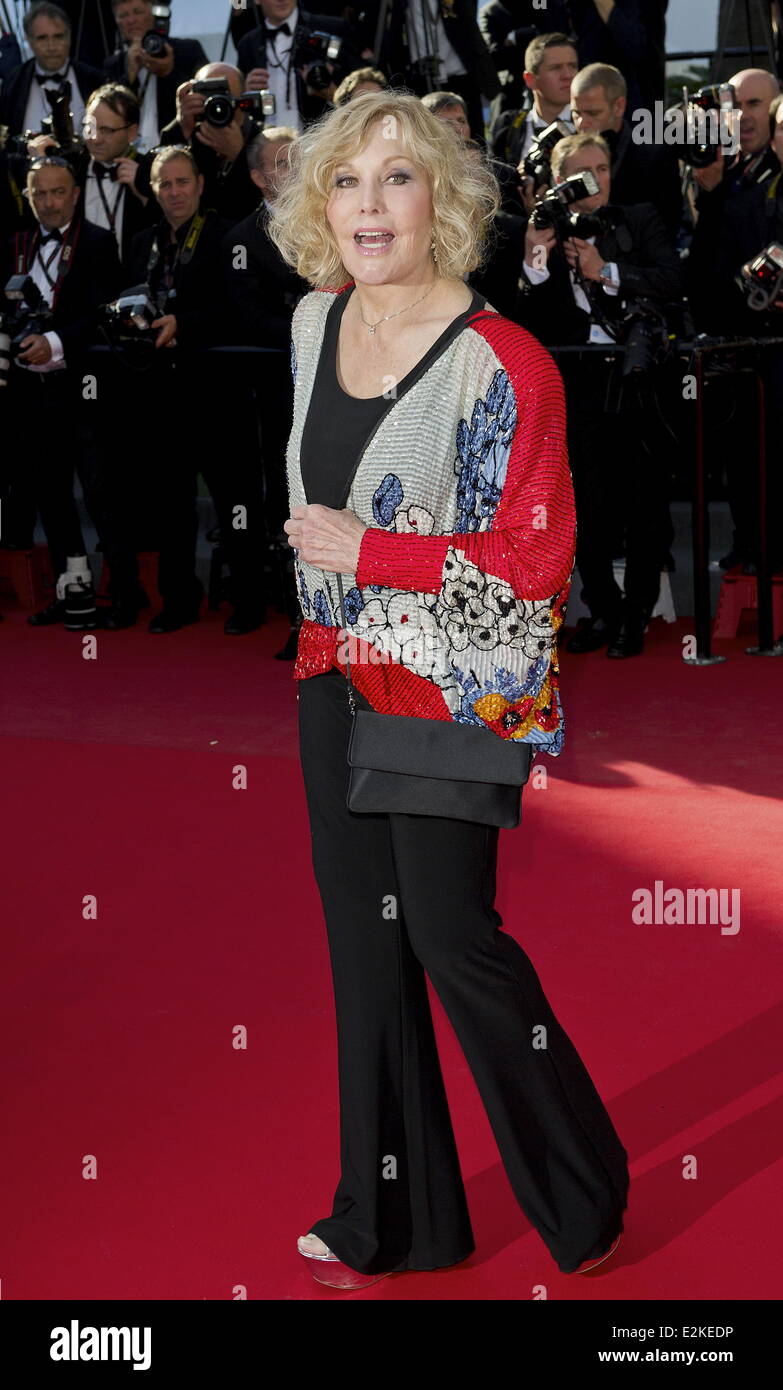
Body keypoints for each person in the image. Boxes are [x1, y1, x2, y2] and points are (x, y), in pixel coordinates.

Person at [266, 89, 629, 1285]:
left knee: (451, 937)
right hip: (331, 680)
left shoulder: (504, 366)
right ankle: (392, 1217)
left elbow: (535, 573)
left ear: (447, 202)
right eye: (347, 182)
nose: (370, 206)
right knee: (362, 949)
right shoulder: (313, 325)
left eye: (398, 179)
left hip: (445, 689)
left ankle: (583, 1183)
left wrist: (371, 555)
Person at [516, 132, 682, 657]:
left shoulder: (640, 218)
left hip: (637, 378)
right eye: (581, 173)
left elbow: (672, 280)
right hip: (575, 385)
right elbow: (528, 311)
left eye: (603, 169)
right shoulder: (547, 227)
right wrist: (535, 255)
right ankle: (605, 610)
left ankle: (635, 615)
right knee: (582, 504)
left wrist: (604, 272)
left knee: (645, 503)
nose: (595, 182)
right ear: (560, 182)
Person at [103, 0, 207, 151]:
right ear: (117, 23)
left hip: (178, 148)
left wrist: (168, 72)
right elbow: (108, 116)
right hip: (129, 152)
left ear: (153, 14)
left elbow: (202, 100)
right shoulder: (114, 65)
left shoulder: (187, 50)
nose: (131, 20)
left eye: (137, 12)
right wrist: (129, 75)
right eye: (124, 15)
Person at [0, 1, 104, 139]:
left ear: (69, 37)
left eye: (58, 36)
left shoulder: (94, 80)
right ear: (29, 40)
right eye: (42, 38)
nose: (51, 46)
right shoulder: (13, 83)